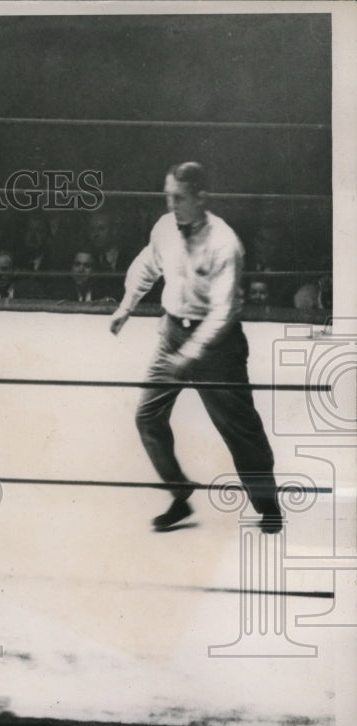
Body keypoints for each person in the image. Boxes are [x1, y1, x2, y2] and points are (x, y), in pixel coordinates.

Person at [109, 162, 282, 533]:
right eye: (168, 196)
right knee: (147, 417)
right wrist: (126, 306)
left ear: (201, 198)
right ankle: (179, 494)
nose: (171, 205)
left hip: (218, 346)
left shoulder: (225, 243)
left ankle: (267, 502)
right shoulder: (164, 228)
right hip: (172, 333)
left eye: (179, 198)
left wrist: (192, 353)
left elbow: (224, 311)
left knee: (239, 427)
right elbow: (146, 265)